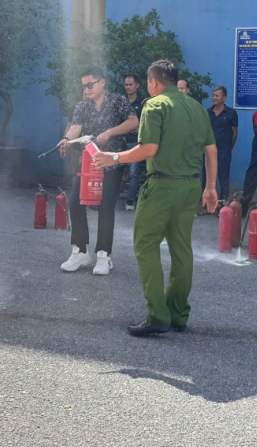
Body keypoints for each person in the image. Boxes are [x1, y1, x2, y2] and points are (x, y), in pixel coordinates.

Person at [92, 59, 218, 336]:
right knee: (182, 249)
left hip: (162, 187)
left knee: (146, 246)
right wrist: (210, 187)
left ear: (153, 81)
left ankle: (158, 315)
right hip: (191, 187)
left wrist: (113, 157)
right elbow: (211, 150)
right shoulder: (197, 107)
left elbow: (148, 149)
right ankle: (178, 314)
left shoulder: (154, 105)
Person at [57, 67, 139, 276]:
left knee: (105, 206)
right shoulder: (82, 106)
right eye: (84, 86)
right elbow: (75, 128)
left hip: (112, 162)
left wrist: (109, 132)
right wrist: (66, 140)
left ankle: (104, 255)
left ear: (102, 82)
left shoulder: (118, 100)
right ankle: (81, 251)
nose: (87, 89)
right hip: (88, 163)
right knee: (75, 202)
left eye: (90, 85)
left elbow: (133, 122)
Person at [202, 86, 238, 208]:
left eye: (217, 95)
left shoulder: (231, 113)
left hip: (224, 151)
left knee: (223, 178)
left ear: (224, 98)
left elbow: (234, 133)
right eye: (213, 95)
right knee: (207, 178)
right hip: (209, 152)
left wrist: (228, 148)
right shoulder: (208, 112)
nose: (214, 98)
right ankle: (207, 205)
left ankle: (223, 205)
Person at [123, 75, 145, 211]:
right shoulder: (121, 102)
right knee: (115, 171)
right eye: (126, 84)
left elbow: (148, 121)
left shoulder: (143, 103)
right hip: (120, 142)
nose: (128, 87)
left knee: (133, 173)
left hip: (135, 143)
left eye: (130, 84)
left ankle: (130, 201)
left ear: (137, 85)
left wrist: (141, 128)